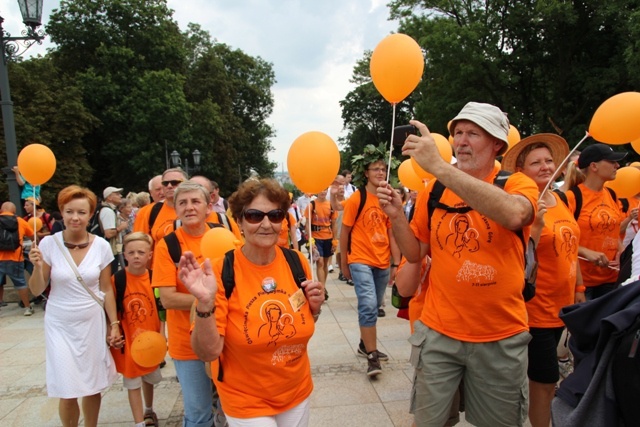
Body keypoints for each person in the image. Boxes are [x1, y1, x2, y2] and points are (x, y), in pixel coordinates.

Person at [377, 102, 538, 426]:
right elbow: (416, 251)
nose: (461, 141)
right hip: (439, 332)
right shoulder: (433, 190)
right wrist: (396, 217)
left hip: (500, 336)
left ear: (496, 143)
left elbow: (514, 214)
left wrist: (440, 167)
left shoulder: (516, 183)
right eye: (458, 133)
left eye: (472, 133)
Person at [179, 178, 324, 426]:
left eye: (275, 215)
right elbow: (207, 352)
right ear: (240, 222)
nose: (266, 224)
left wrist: (315, 307)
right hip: (245, 398)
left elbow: (304, 320)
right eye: (255, 216)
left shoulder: (296, 262)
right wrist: (204, 303)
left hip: (296, 389)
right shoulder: (222, 271)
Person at [501, 133, 584, 427]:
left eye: (549, 160)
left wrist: (580, 288)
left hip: (564, 307)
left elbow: (571, 248)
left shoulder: (561, 198)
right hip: (535, 310)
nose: (546, 166)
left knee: (545, 379)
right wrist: (534, 227)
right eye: (536, 163)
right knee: (545, 381)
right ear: (522, 170)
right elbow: (518, 258)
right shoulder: (520, 206)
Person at [28, 185, 122, 427]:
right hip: (60, 322)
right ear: (62, 212)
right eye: (69, 211)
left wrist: (114, 324)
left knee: (92, 384)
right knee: (66, 386)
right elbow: (37, 289)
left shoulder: (101, 245)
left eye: (81, 212)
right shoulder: (49, 244)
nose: (75, 218)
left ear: (91, 214)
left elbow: (107, 289)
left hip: (91, 321)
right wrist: (37, 267)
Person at [152, 180, 218, 427]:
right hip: (187, 343)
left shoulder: (222, 236)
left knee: (231, 409)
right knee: (199, 415)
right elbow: (167, 298)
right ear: (176, 209)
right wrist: (206, 297)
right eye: (183, 203)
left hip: (224, 338)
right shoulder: (167, 245)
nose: (189, 207)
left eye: (195, 201)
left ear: (208, 206)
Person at [340, 152, 401, 378]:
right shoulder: (358, 199)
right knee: (367, 303)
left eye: (383, 169)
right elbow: (344, 231)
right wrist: (343, 262)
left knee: (374, 307)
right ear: (366, 173)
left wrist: (396, 263)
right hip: (360, 259)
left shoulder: (387, 199)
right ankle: (372, 356)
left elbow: (392, 233)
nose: (380, 173)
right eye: (375, 169)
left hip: (382, 260)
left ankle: (364, 344)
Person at [562, 143, 627, 300]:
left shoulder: (611, 194)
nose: (617, 165)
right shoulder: (572, 197)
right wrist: (586, 252)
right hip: (583, 282)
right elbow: (562, 239)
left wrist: (622, 253)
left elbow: (615, 231)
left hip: (611, 280)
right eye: (612, 162)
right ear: (594, 166)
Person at [110, 232, 161, 427]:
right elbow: (111, 308)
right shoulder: (118, 280)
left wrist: (162, 334)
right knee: (132, 381)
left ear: (150, 254)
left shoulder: (155, 278)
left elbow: (161, 309)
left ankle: (149, 409)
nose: (136, 256)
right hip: (129, 340)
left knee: (149, 376)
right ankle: (139, 422)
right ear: (124, 254)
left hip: (151, 339)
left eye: (141, 252)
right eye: (131, 252)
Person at [0, 201, 35, 315]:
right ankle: (27, 308)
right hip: (15, 258)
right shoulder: (21, 221)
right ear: (14, 211)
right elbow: (32, 236)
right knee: (21, 283)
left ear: (1, 210)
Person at [305, 189, 337, 294]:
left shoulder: (331, 205)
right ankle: (322, 289)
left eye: (325, 190)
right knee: (320, 262)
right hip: (316, 237)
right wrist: (310, 240)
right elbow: (307, 224)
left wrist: (335, 240)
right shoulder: (311, 205)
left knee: (326, 264)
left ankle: (323, 284)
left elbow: (334, 224)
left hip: (327, 236)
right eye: (321, 190)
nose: (323, 192)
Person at [99, 186, 128, 272]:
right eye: (117, 194)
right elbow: (108, 233)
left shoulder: (109, 210)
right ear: (109, 197)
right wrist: (120, 227)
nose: (120, 196)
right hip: (109, 251)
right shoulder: (108, 211)